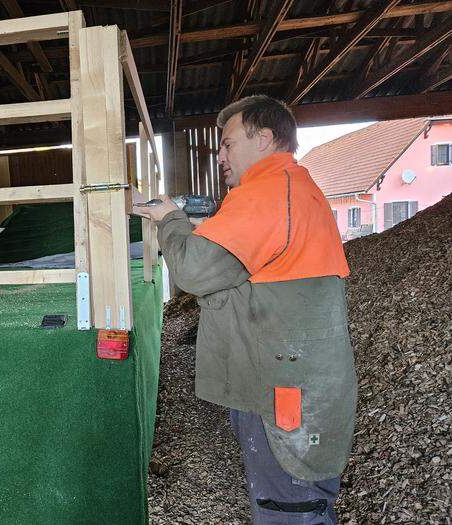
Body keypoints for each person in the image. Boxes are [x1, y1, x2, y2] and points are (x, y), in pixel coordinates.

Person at [133, 95, 357, 524]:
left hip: (283, 392)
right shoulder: (293, 187)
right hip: (297, 381)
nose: (219, 156)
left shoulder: (266, 192)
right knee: (298, 502)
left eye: (227, 143)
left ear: (265, 138)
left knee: (289, 509)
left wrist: (170, 221)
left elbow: (195, 272)